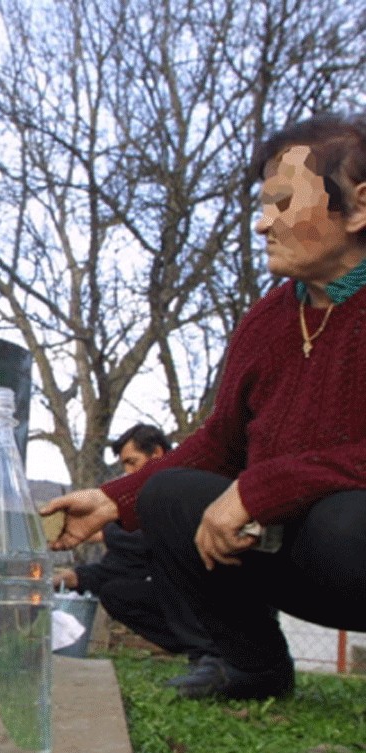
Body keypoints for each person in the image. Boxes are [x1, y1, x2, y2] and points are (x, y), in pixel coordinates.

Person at [43, 111, 366, 701]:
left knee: (350, 518)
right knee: (171, 495)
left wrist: (264, 486)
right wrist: (112, 499)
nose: (263, 223)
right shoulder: (267, 319)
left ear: (359, 207)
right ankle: (248, 665)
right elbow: (220, 443)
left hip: (352, 547)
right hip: (287, 547)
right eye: (262, 205)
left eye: (284, 202)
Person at [54, 425, 216, 672]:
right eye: (124, 466)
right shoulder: (138, 510)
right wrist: (74, 578)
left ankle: (217, 651)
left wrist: (105, 532)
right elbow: (122, 566)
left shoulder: (189, 484)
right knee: (116, 593)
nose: (128, 473)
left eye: (132, 462)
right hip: (184, 598)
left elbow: (155, 538)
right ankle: (204, 652)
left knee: (170, 566)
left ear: (157, 454)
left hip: (220, 588)